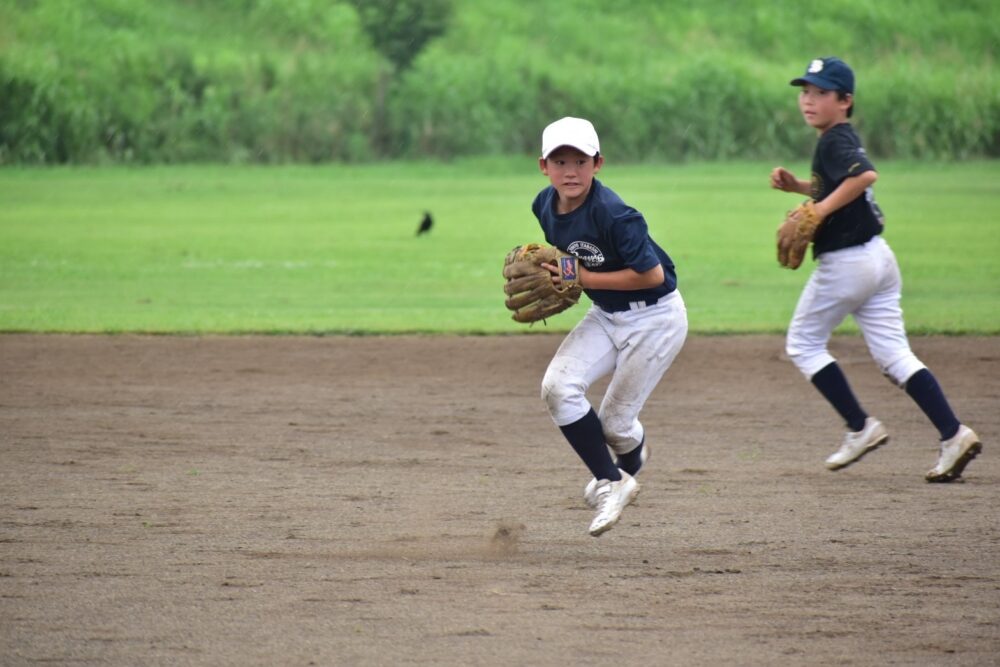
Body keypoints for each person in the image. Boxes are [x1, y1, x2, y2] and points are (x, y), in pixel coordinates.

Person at [770, 57, 982, 481]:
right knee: (894, 354)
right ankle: (953, 434)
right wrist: (800, 188)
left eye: (821, 93)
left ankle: (860, 427)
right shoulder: (838, 138)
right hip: (879, 260)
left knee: (804, 343)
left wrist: (820, 208)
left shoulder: (834, 140)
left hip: (848, 263)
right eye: (805, 92)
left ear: (845, 101)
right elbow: (839, 183)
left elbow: (864, 176)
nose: (809, 101)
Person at [530, 117, 688, 536]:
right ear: (543, 166)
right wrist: (560, 278)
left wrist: (581, 279)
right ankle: (613, 482)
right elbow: (570, 259)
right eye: (559, 160)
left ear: (597, 163)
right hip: (606, 314)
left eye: (580, 160)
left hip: (655, 318)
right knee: (558, 388)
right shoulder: (543, 205)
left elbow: (651, 275)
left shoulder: (617, 215)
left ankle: (626, 466)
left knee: (616, 427)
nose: (570, 170)